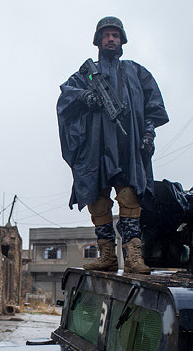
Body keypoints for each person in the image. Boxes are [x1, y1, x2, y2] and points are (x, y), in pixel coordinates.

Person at [57, 16, 169, 273]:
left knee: (129, 199)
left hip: (127, 148)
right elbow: (65, 98)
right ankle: (106, 255)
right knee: (96, 200)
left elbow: (153, 107)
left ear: (121, 41)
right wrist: (85, 96)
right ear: (98, 41)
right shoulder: (84, 75)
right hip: (94, 149)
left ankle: (133, 257)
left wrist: (148, 133)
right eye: (106, 35)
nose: (111, 39)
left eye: (115, 35)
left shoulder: (136, 72)